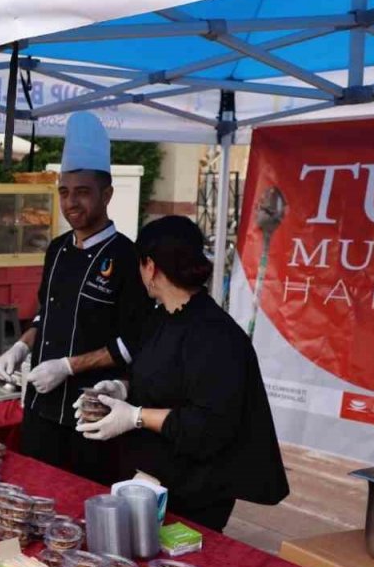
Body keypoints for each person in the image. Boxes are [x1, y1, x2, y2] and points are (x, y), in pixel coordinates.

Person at [75, 216, 290, 531]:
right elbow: (158, 379)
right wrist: (120, 389)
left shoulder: (216, 335)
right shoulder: (160, 318)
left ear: (150, 267)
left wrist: (135, 416)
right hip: (149, 475)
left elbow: (209, 424)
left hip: (194, 489)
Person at [0, 112, 153, 486]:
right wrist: (19, 346)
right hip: (38, 407)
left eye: (82, 192)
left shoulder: (129, 258)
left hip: (91, 416)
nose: (70, 203)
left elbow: (132, 343)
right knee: (30, 494)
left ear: (107, 194)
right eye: (64, 192)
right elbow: (45, 314)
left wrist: (66, 366)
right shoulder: (56, 249)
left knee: (77, 512)